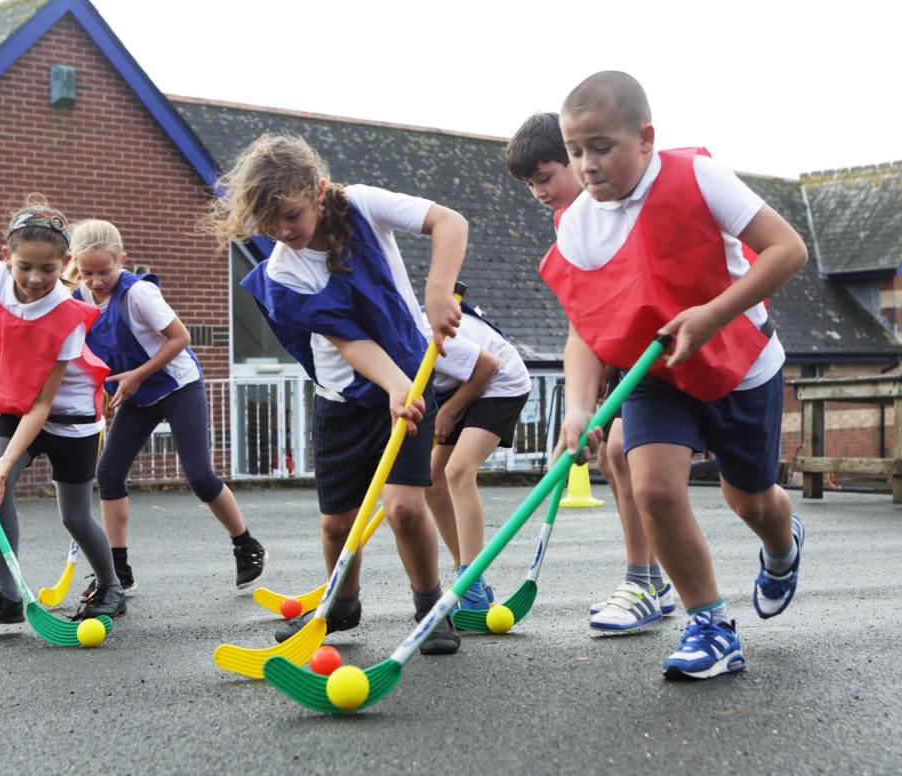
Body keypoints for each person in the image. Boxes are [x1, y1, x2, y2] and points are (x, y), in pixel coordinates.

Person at [541, 72, 808, 679]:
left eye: (601, 146)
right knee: (654, 489)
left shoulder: (695, 177)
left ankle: (782, 543)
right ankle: (711, 625)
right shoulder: (579, 221)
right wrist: (579, 408)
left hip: (740, 365)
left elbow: (787, 249)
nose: (586, 165)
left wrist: (712, 317)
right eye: (576, 150)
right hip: (656, 370)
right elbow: (585, 325)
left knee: (751, 500)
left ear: (645, 139)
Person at [207, 133, 466, 654]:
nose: (283, 232)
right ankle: (342, 605)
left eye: (291, 215)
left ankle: (430, 606)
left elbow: (449, 221)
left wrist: (437, 291)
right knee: (335, 524)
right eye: (268, 223)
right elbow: (350, 340)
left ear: (319, 190)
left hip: (413, 380)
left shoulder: (365, 205)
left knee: (404, 509)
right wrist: (391, 384)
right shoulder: (283, 271)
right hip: (344, 401)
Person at [507, 111, 675, 633]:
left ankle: (645, 579)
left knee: (626, 452)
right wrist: (584, 399)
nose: (538, 191)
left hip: (670, 345)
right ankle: (650, 580)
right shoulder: (569, 225)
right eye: (529, 184)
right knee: (614, 456)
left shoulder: (620, 208)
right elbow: (585, 318)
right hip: (622, 353)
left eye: (544, 177)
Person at [0, 194, 125, 627]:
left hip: (69, 418)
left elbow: (44, 404)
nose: (35, 278)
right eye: (25, 266)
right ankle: (8, 596)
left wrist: (8, 461)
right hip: (18, 407)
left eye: (48, 269)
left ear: (65, 262)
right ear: (6, 257)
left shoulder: (68, 315)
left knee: (74, 515)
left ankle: (111, 586)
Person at [65, 219, 265, 595]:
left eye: (104, 271)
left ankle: (246, 545)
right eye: (86, 272)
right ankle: (117, 570)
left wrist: (136, 375)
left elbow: (180, 338)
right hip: (136, 393)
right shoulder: (78, 299)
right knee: (108, 473)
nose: (95, 281)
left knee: (200, 476)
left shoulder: (138, 294)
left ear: (122, 260)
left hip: (177, 386)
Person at [425, 305, 531, 614]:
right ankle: (472, 578)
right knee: (432, 479)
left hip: (501, 378)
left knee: (458, 470)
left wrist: (449, 410)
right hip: (464, 383)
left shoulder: (423, 337)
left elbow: (488, 364)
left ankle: (468, 584)